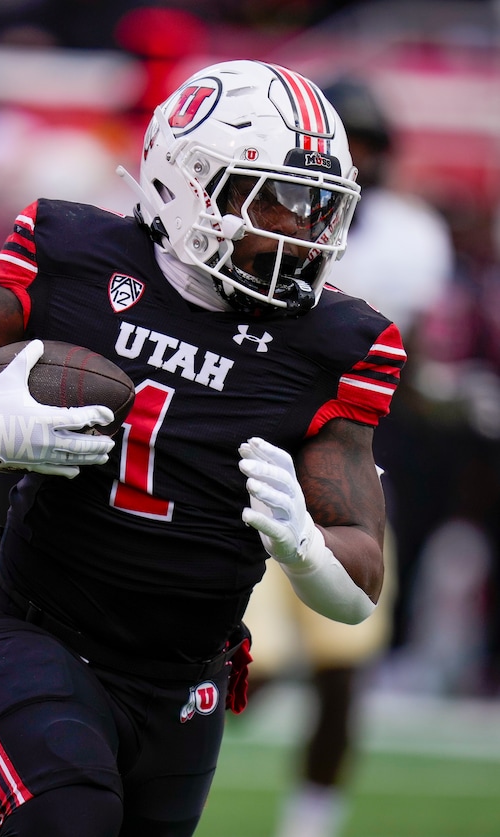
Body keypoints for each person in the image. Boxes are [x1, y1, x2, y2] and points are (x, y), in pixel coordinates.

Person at [0, 60, 405, 837]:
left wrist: (306, 547)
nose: (300, 230)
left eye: (316, 205)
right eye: (275, 196)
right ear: (191, 180)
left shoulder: (336, 343)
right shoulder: (74, 257)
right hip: (36, 634)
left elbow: (360, 576)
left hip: (185, 686)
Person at [241, 77, 452, 837]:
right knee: (244, 664)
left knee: (345, 653)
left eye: (366, 145)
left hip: (353, 458)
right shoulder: (264, 210)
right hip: (260, 449)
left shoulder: (409, 234)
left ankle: (312, 819)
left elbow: (406, 361)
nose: (354, 157)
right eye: (344, 141)